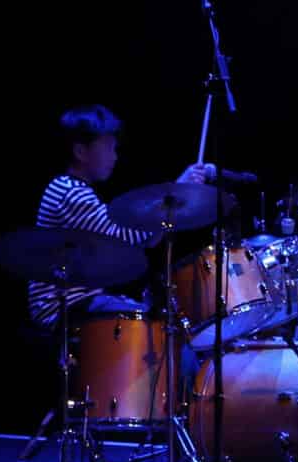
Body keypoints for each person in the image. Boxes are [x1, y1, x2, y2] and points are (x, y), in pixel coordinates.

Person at [27, 104, 215, 331]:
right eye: (109, 148)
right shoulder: (68, 192)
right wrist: (176, 191)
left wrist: (174, 198)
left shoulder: (73, 189)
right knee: (153, 327)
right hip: (60, 307)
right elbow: (120, 237)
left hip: (81, 301)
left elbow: (146, 239)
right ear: (80, 152)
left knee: (153, 320)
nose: (115, 157)